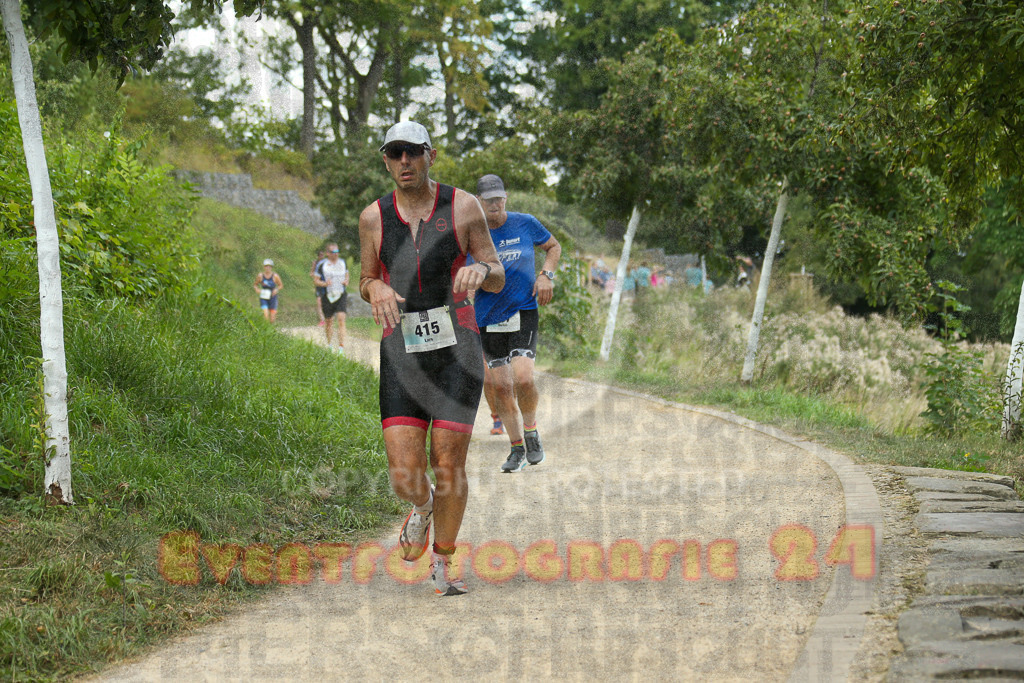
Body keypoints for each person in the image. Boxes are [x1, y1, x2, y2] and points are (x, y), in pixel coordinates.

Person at [357, 121, 504, 596]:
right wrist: (376, 285)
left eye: (413, 152)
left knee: (448, 459)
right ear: (385, 159)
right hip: (402, 352)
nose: (405, 161)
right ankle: (420, 508)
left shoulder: (464, 206)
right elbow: (364, 281)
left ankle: (443, 562)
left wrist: (481, 269)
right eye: (395, 153)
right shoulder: (372, 218)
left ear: (430, 155)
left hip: (457, 349)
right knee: (404, 474)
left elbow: (498, 272)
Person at [471, 174, 561, 473]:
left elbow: (553, 247)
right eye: (488, 200)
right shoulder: (471, 234)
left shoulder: (525, 222)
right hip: (488, 316)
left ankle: (532, 432)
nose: (495, 204)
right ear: (479, 203)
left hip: (523, 310)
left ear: (505, 198)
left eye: (499, 198)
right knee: (503, 387)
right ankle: (516, 448)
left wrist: (546, 275)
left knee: (523, 378)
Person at [313, 243, 349, 354]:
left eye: (337, 251)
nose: (336, 254)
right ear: (327, 253)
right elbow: (316, 280)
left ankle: (341, 348)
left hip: (341, 294)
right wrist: (324, 283)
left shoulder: (342, 263)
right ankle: (329, 345)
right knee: (329, 322)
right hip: (327, 296)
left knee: (341, 319)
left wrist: (346, 281)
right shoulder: (322, 265)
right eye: (333, 252)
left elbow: (347, 274)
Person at [254, 259, 283, 323]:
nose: (268, 268)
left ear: (271, 267)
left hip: (273, 297)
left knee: (272, 318)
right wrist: (257, 289)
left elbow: (280, 285)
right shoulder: (260, 276)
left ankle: (271, 329)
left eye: (269, 266)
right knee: (266, 314)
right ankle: (265, 329)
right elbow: (255, 285)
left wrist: (276, 289)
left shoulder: (275, 276)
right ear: (264, 267)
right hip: (264, 296)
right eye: (266, 266)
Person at [311, 249, 327, 326]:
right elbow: (311, 273)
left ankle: (327, 318)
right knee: (319, 302)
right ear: (318, 256)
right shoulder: (316, 263)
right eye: (320, 255)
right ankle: (322, 320)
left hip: (326, 285)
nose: (321, 256)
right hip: (318, 286)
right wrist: (316, 276)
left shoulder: (327, 263)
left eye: (322, 255)